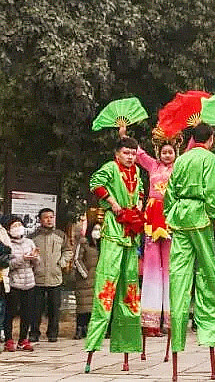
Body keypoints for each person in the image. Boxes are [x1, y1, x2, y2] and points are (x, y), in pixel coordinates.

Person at [164, 122, 215, 377]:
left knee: (178, 278)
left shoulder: (181, 159)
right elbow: (212, 192)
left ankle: (177, 339)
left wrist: (171, 214)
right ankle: (208, 332)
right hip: (200, 218)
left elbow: (169, 192)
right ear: (210, 139)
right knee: (208, 274)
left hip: (180, 218)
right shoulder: (208, 158)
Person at [85, 137, 144, 369]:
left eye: (133, 153)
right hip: (113, 228)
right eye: (126, 153)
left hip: (131, 231)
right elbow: (95, 183)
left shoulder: (137, 171)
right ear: (117, 153)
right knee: (107, 283)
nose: (130, 157)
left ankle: (127, 347)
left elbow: (140, 191)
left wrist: (139, 206)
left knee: (130, 288)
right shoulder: (110, 168)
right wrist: (112, 202)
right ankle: (93, 343)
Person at [126, 127, 177, 338]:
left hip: (171, 216)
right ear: (159, 153)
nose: (167, 155)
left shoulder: (180, 166)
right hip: (152, 216)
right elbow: (138, 152)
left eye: (170, 152)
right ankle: (150, 323)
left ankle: (171, 321)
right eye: (164, 152)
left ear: (176, 153)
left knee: (171, 269)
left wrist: (194, 132)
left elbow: (192, 149)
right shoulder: (152, 165)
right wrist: (124, 135)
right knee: (152, 269)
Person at [30, 207, 72, 343]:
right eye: (46, 217)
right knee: (36, 309)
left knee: (54, 308)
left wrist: (62, 262)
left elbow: (68, 250)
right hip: (37, 278)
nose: (49, 220)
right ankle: (34, 333)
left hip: (55, 277)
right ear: (40, 220)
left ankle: (53, 333)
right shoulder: (33, 237)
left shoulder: (60, 235)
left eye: (51, 217)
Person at [4, 216, 38, 351]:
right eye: (14, 226)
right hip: (13, 283)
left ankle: (23, 339)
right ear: (8, 230)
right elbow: (8, 264)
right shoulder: (7, 244)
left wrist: (34, 257)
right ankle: (9, 339)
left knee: (27, 313)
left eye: (19, 225)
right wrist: (23, 258)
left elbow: (37, 263)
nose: (18, 228)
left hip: (29, 282)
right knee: (10, 313)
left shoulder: (29, 242)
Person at [73, 219, 101, 340]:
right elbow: (77, 259)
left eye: (99, 230)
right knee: (83, 305)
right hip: (84, 279)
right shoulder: (83, 242)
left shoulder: (101, 244)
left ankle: (89, 329)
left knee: (92, 306)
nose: (97, 232)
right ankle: (79, 328)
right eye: (95, 229)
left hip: (97, 278)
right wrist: (85, 274)